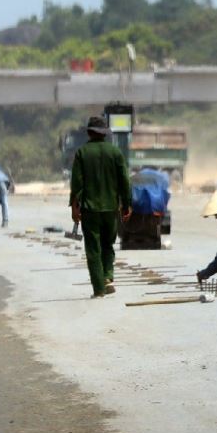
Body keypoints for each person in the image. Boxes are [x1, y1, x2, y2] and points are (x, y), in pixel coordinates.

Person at [69, 115, 132, 298]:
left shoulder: (82, 153)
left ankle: (98, 289)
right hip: (111, 209)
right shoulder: (115, 152)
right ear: (105, 133)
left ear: (89, 132)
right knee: (108, 245)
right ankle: (107, 276)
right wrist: (127, 204)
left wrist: (74, 207)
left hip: (90, 210)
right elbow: (124, 181)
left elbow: (77, 184)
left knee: (93, 249)